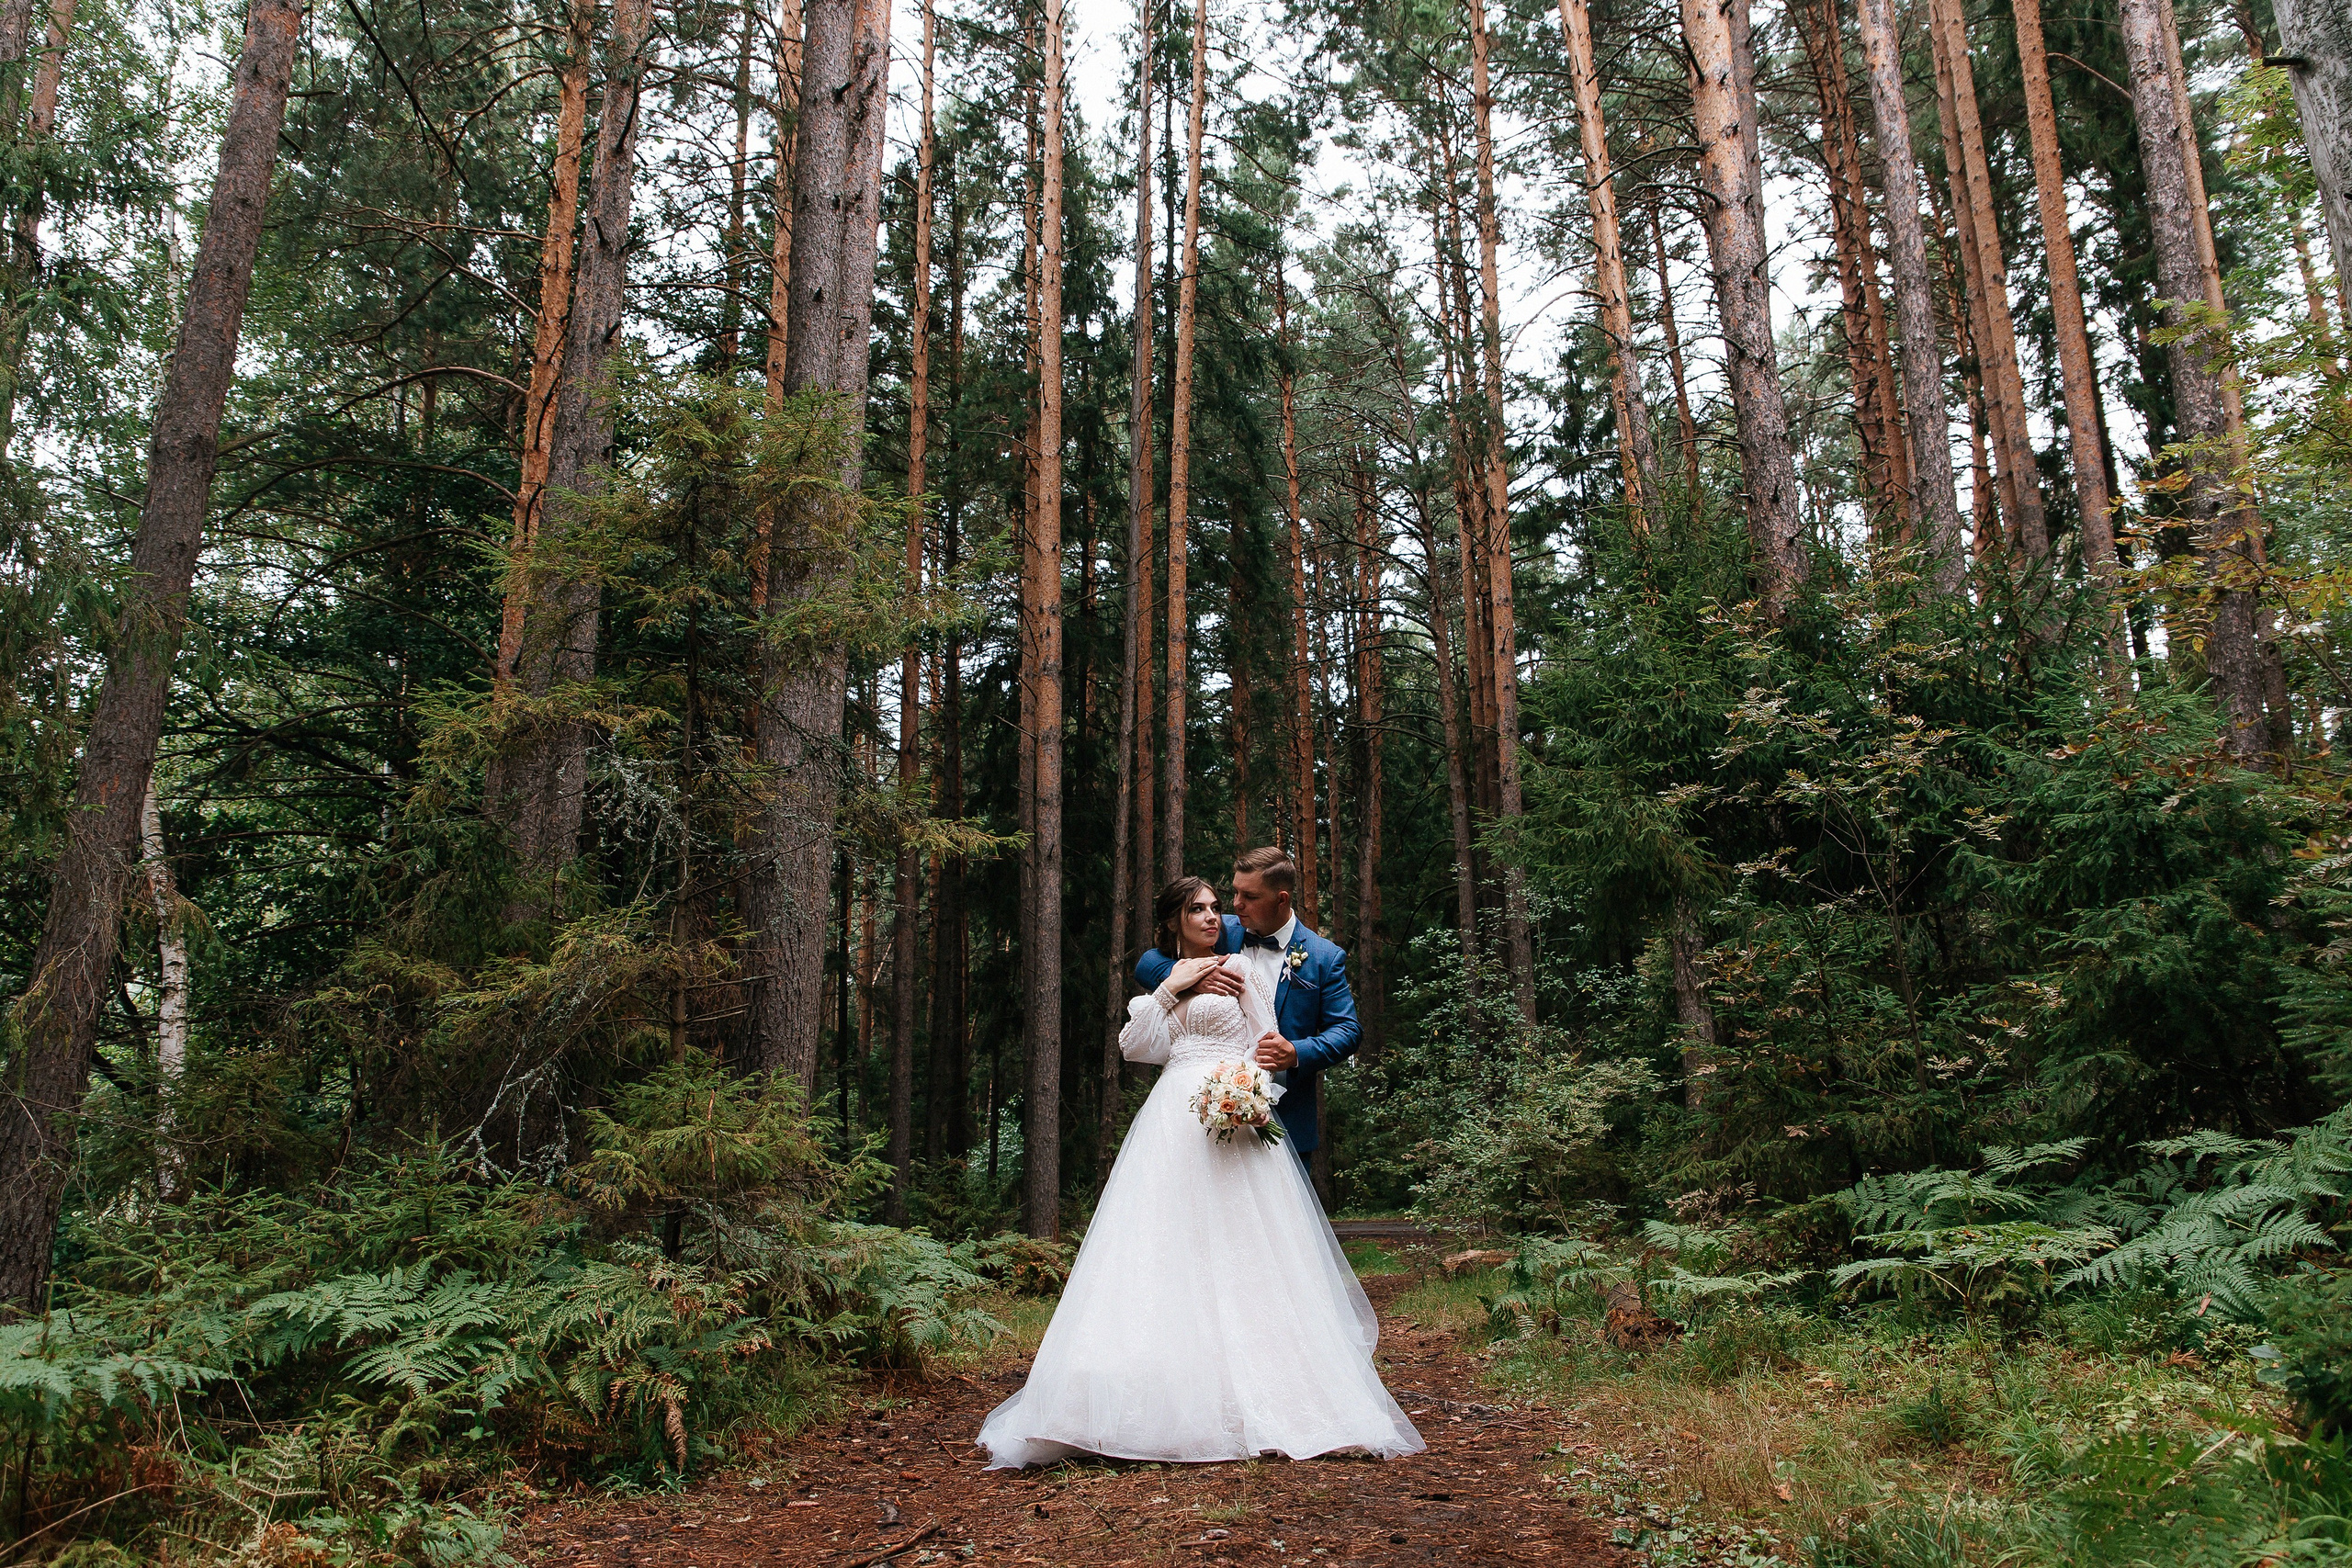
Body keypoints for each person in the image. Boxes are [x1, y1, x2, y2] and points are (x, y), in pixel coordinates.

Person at [974, 868, 1421, 1470]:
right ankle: (1138, 1404)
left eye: (1217, 907)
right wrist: (1171, 988)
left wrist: (1247, 1092)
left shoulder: (1243, 971)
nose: (1214, 917)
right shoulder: (1161, 981)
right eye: (1199, 910)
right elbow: (1138, 1046)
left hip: (1231, 1116)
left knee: (1250, 1251)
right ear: (1173, 922)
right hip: (1171, 1121)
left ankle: (1273, 1396)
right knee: (1163, 1248)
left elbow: (1267, 1038)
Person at [1134, 845, 1361, 1166]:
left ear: (1281, 899)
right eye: (1236, 892)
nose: (1236, 904)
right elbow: (1147, 963)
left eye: (1249, 897)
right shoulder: (1221, 928)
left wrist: (1297, 1052)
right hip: (1210, 1110)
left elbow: (1348, 1030)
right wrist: (1190, 977)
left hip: (1288, 1115)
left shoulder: (1324, 957)